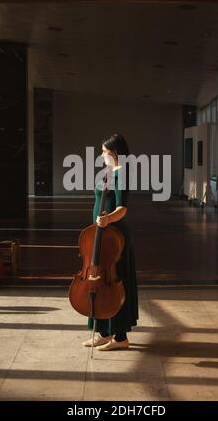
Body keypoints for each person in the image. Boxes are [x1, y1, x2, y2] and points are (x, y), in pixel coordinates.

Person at [82, 133, 139, 350]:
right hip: (102, 234)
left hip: (115, 234)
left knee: (116, 282)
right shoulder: (110, 172)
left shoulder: (122, 174)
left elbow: (122, 209)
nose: (102, 155)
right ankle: (104, 332)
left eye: (105, 152)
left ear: (115, 153)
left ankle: (121, 337)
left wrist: (107, 219)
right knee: (100, 279)